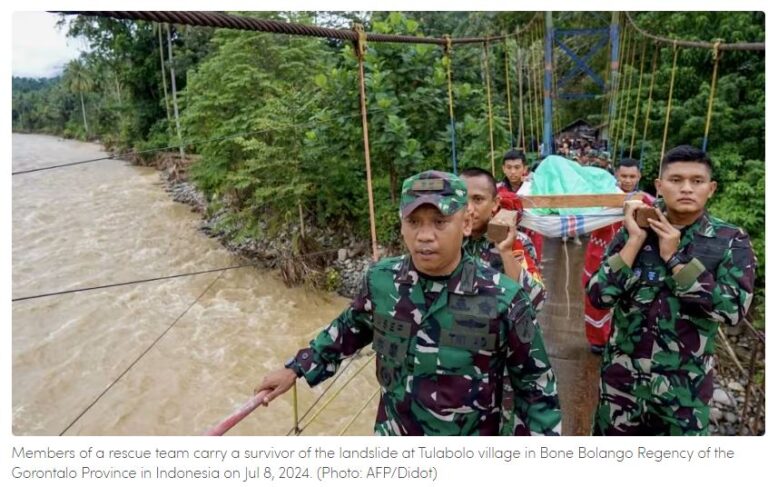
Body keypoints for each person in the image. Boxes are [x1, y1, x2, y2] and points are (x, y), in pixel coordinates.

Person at [257, 170, 562, 436]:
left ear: (466, 224)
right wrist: (296, 369)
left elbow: (535, 386)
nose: (425, 236)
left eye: (440, 222)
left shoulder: (503, 297)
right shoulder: (381, 282)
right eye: (414, 221)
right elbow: (349, 329)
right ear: (402, 225)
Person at [586, 145, 756, 435]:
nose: (686, 188)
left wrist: (675, 260)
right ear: (659, 186)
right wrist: (635, 240)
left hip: (683, 393)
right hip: (622, 387)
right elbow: (599, 296)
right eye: (676, 180)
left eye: (697, 181)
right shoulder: (632, 231)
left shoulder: (729, 241)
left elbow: (731, 311)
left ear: (711, 188)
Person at [582, 158, 648, 355]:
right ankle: (597, 341)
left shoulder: (646, 200)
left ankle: (620, 338)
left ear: (639, 177)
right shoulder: (602, 197)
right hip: (598, 253)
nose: (627, 180)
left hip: (632, 256)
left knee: (630, 298)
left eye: (632, 176)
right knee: (596, 293)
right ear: (615, 176)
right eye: (623, 176)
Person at [460, 167, 546, 312]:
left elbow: (536, 302)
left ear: (495, 204)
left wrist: (506, 252)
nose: (469, 208)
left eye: (478, 199)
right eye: (463, 199)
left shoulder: (514, 241)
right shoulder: (451, 239)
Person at [498, 149, 544, 260]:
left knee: (531, 270)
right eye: (509, 167)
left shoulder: (534, 189)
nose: (513, 171)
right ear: (503, 169)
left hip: (531, 236)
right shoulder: (496, 191)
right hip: (505, 239)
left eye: (517, 167)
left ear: (525, 169)